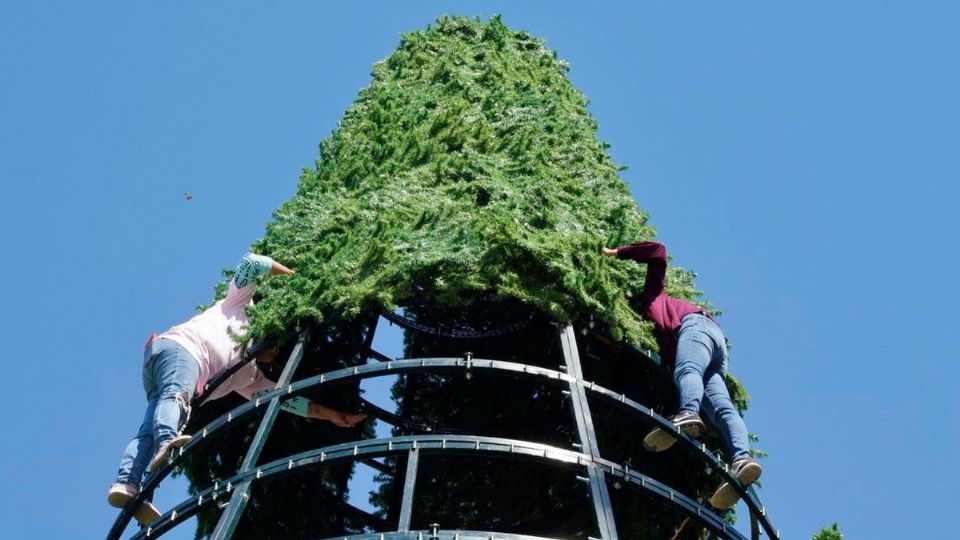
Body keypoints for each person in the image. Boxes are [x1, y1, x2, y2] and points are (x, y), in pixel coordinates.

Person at [107, 253, 367, 524]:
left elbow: (290, 402)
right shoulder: (240, 303)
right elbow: (251, 263)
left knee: (147, 430)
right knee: (177, 400)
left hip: (158, 368)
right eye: (275, 338)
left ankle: (128, 485)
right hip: (181, 350)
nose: (276, 350)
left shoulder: (249, 379)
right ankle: (167, 439)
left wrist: (334, 416)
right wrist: (297, 279)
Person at [602, 241, 761, 509]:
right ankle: (742, 461)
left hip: (696, 327)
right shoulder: (659, 344)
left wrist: (618, 253)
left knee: (687, 370)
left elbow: (657, 251)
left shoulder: (653, 297)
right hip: (715, 344)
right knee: (721, 409)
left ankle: (688, 412)